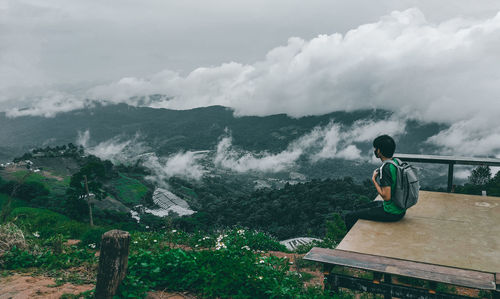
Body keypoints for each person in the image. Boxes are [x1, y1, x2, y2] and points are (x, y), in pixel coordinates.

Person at [344, 135, 406, 230]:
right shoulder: (395, 162)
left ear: (379, 151)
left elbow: (386, 197)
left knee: (349, 216)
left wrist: (374, 180)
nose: (375, 150)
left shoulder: (386, 169)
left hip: (391, 213)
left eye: (376, 148)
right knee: (358, 208)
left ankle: (354, 243)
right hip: (400, 209)